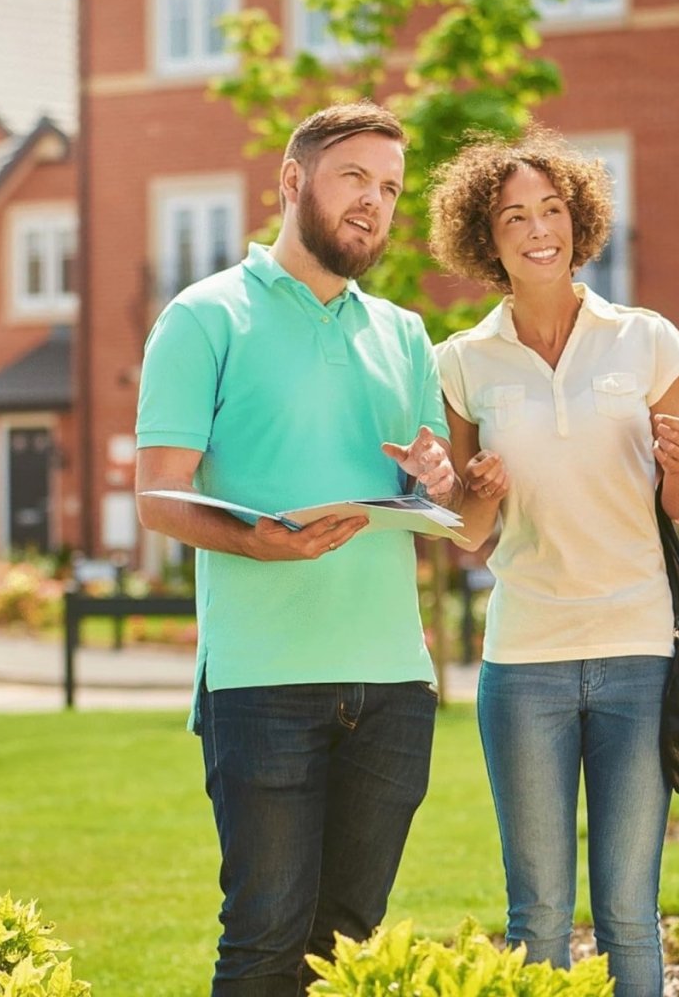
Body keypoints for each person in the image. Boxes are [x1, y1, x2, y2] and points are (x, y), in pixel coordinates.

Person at [135, 100, 458, 997]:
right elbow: (159, 497)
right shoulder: (205, 318)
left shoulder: (402, 332)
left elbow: (438, 492)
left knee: (352, 946)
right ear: (293, 181)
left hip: (395, 680)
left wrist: (439, 473)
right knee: (266, 942)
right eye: (355, 177)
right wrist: (260, 542)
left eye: (390, 188)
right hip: (260, 680)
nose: (375, 203)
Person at [429, 126, 679, 997]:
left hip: (636, 650)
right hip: (525, 661)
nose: (537, 228)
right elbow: (468, 531)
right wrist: (477, 486)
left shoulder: (647, 339)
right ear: (488, 235)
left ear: (579, 220)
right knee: (538, 913)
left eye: (552, 209)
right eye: (515, 215)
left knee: (630, 910)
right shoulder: (462, 361)